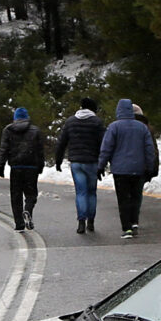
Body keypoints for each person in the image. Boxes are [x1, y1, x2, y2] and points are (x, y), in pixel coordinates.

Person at [98, 98, 161, 240]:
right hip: (138, 169)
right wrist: (150, 167)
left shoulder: (114, 127)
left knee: (123, 199)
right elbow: (149, 149)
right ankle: (134, 222)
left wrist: (101, 165)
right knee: (136, 197)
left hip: (120, 170)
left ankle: (126, 228)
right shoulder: (142, 128)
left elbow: (106, 148)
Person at [51, 98, 105, 234]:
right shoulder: (97, 122)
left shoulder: (71, 121)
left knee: (81, 192)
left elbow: (62, 142)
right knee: (92, 193)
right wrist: (103, 163)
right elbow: (104, 143)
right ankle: (91, 222)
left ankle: (81, 222)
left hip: (76, 163)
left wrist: (58, 160)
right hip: (92, 162)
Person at [0, 106, 46, 231]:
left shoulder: (8, 130)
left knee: (16, 195)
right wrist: (40, 165)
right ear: (27, 117)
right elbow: (40, 151)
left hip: (16, 167)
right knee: (31, 194)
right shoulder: (35, 131)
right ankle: (27, 210)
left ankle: (19, 223)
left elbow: (4, 149)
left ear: (15, 118)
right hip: (31, 167)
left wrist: (1, 165)